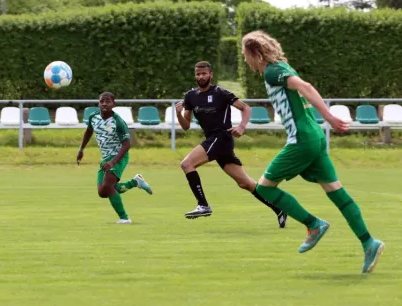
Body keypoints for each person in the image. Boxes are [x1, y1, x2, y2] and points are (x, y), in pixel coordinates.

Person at [241, 30, 384, 274]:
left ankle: (313, 225)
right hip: (314, 138)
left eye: (245, 54)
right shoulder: (283, 67)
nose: (244, 59)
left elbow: (304, 86)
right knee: (336, 191)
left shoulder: (273, 71)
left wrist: (328, 116)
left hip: (303, 140)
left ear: (255, 54)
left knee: (264, 188)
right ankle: (369, 242)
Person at [176, 61, 287, 227]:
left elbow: (246, 108)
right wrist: (178, 114)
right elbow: (185, 126)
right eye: (198, 74)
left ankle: (203, 205)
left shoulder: (220, 93)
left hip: (221, 138)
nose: (201, 77)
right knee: (246, 183)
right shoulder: (190, 96)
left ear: (211, 74)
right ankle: (279, 209)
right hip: (214, 141)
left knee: (186, 164)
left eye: (204, 73)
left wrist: (242, 127)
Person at [77, 92, 153, 224]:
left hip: (119, 157)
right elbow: (89, 131)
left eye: (108, 101)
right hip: (106, 158)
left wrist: (113, 162)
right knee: (102, 192)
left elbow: (127, 144)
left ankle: (124, 218)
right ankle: (135, 182)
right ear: (98, 103)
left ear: (114, 104)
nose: (104, 103)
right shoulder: (93, 117)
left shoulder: (118, 121)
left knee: (107, 186)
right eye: (102, 101)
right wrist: (81, 149)